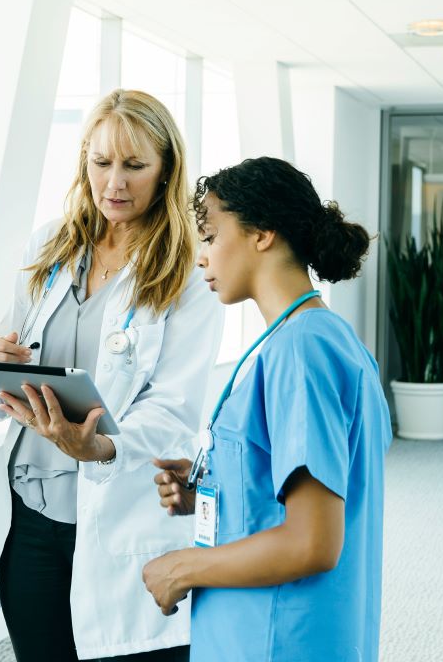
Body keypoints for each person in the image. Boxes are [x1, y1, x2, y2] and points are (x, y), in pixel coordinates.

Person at [0, 90, 224, 661]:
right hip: (31, 515)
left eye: (134, 165)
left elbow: (174, 411)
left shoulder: (189, 272)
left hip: (120, 517)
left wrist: (100, 446)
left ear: (167, 169)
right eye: (101, 162)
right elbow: (15, 345)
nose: (115, 183)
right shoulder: (50, 246)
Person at [144, 156, 393, 662]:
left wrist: (181, 568)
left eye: (211, 237)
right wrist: (207, 492)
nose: (201, 258)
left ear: (263, 234)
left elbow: (311, 542)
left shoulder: (301, 351)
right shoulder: (317, 338)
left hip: (278, 641)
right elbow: (294, 497)